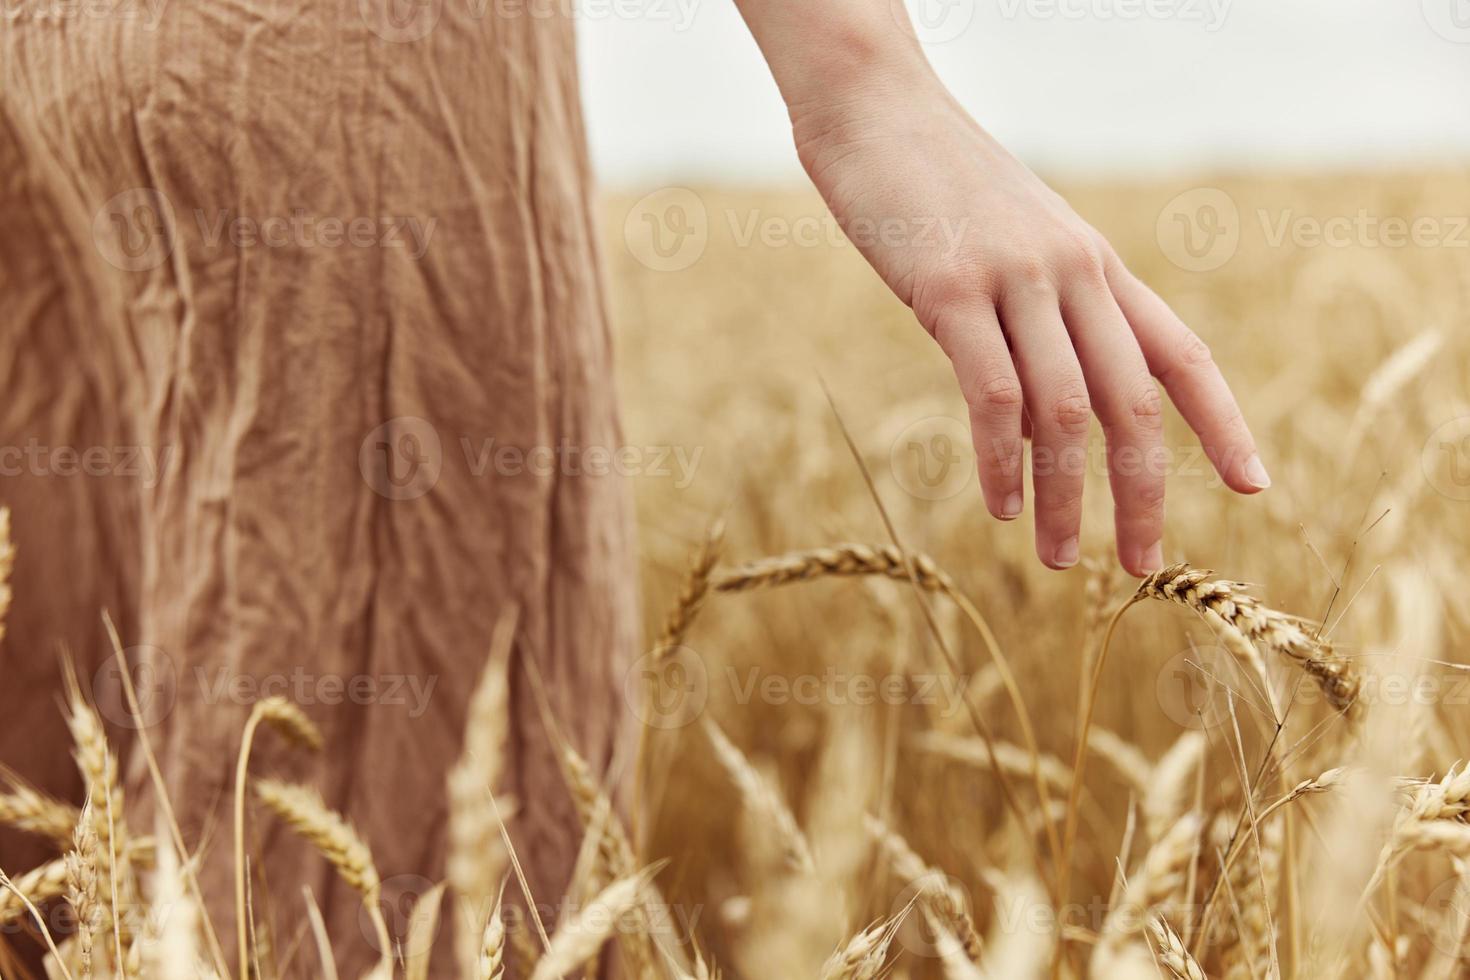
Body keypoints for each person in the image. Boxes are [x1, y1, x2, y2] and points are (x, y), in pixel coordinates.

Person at [0, 0, 1266, 974]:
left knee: (70, 831)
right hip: (328, 74)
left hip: (54, 58)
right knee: (399, 882)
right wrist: (859, 74)